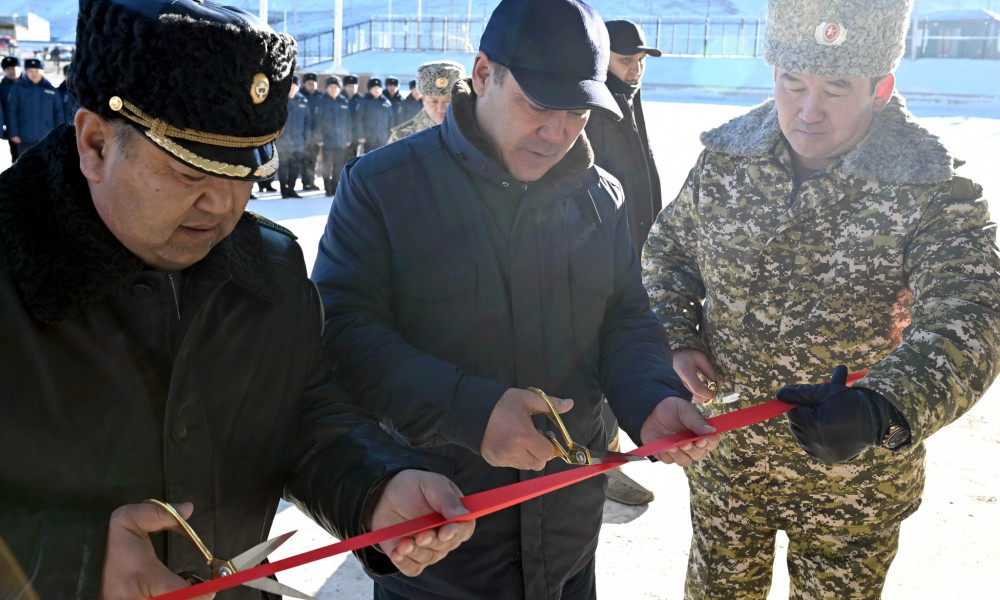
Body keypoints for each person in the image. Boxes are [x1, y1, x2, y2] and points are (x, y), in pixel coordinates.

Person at [0, 1, 475, 598]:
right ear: (96, 144)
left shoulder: (269, 268)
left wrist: (374, 487)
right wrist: (72, 564)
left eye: (243, 172)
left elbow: (303, 411)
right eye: (190, 173)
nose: (223, 206)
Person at [310, 0, 719, 598]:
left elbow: (624, 320)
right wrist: (470, 410)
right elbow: (341, 337)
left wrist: (650, 399)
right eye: (537, 105)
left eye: (577, 111)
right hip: (440, 546)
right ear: (482, 74)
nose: (557, 132)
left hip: (568, 543)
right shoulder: (383, 188)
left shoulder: (601, 197)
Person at [641, 0, 1000, 598]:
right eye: (792, 82)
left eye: (836, 88)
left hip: (852, 484)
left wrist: (883, 407)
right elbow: (668, 256)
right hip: (731, 468)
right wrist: (678, 339)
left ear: (881, 87)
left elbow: (971, 319)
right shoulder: (726, 163)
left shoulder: (935, 189)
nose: (808, 111)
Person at [584, 18, 665, 507]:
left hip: (637, 250)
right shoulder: (593, 106)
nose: (635, 69)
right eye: (625, 59)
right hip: (602, 257)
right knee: (600, 361)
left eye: (640, 61)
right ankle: (597, 465)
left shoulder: (629, 100)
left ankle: (603, 458)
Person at [387, 60, 464, 143]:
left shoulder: (472, 131)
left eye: (448, 101)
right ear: (423, 99)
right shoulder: (402, 137)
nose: (441, 109)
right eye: (434, 101)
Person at [6, 58, 64, 155]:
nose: (34, 74)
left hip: (47, 137)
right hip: (24, 137)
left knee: (46, 167)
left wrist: (58, 134)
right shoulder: (17, 89)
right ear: (26, 72)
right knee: (26, 167)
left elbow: (58, 112)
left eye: (37, 71)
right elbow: (11, 112)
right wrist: (13, 133)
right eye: (30, 71)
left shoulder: (51, 89)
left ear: (42, 72)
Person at [275, 74, 311, 198]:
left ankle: (291, 189)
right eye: (290, 85)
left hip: (298, 141)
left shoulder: (303, 101)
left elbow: (307, 121)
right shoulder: (280, 100)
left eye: (294, 85)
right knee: (283, 167)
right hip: (283, 140)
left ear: (299, 87)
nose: (292, 88)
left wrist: (307, 138)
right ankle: (283, 190)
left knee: (295, 167)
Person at [316, 75, 353, 197]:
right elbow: (317, 122)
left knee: (338, 166)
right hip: (327, 140)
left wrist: (348, 137)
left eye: (336, 87)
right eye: (331, 87)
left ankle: (335, 187)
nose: (333, 89)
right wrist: (319, 138)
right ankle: (327, 188)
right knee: (327, 166)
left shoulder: (344, 101)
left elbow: (348, 122)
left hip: (341, 140)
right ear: (326, 88)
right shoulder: (321, 101)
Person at [298, 72, 322, 191]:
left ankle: (311, 181)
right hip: (302, 134)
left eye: (313, 83)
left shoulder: (321, 97)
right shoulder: (300, 96)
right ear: (304, 84)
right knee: (303, 160)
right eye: (309, 83)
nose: (311, 86)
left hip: (316, 135)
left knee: (313, 160)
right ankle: (305, 182)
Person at [358, 77, 394, 152]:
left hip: (383, 138)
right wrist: (360, 135)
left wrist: (390, 135)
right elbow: (359, 119)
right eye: (374, 88)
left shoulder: (386, 102)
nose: (377, 90)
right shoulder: (364, 101)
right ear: (370, 89)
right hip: (369, 138)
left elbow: (391, 120)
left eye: (378, 88)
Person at [1, 56, 20, 162]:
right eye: (8, 70)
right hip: (12, 129)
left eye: (13, 68)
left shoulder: (30, 83)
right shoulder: (2, 87)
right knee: (16, 157)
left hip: (32, 127)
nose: (11, 72)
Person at [342, 73, 365, 154]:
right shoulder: (339, 99)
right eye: (349, 86)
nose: (351, 89)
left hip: (356, 136)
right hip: (341, 135)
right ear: (344, 87)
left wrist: (361, 135)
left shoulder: (361, 100)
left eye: (354, 86)